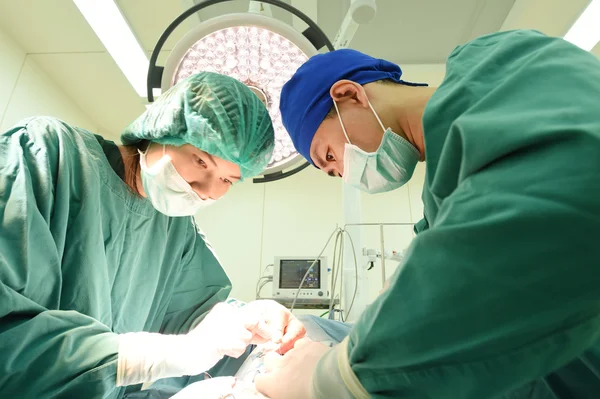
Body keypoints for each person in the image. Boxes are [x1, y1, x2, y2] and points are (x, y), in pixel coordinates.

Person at [254, 29, 600, 399]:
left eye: (331, 157)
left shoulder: (496, 64)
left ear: (348, 94)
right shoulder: (442, 199)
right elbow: (416, 293)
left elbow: (568, 194)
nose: (345, 174)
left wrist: (326, 380)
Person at [0, 71, 306, 398]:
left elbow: (195, 317)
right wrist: (137, 360)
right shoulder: (49, 154)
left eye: (228, 180)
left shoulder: (176, 232)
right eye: (200, 161)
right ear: (163, 129)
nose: (206, 191)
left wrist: (249, 319)